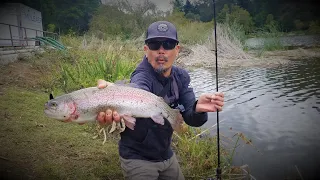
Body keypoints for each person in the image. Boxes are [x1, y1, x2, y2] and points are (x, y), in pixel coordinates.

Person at [96, 21, 224, 180]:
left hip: (166, 154)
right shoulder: (142, 75)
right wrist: (117, 91)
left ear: (177, 50)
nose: (161, 51)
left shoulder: (181, 77)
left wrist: (198, 108)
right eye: (155, 44)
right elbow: (138, 89)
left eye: (168, 44)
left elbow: (192, 118)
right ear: (146, 50)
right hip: (137, 157)